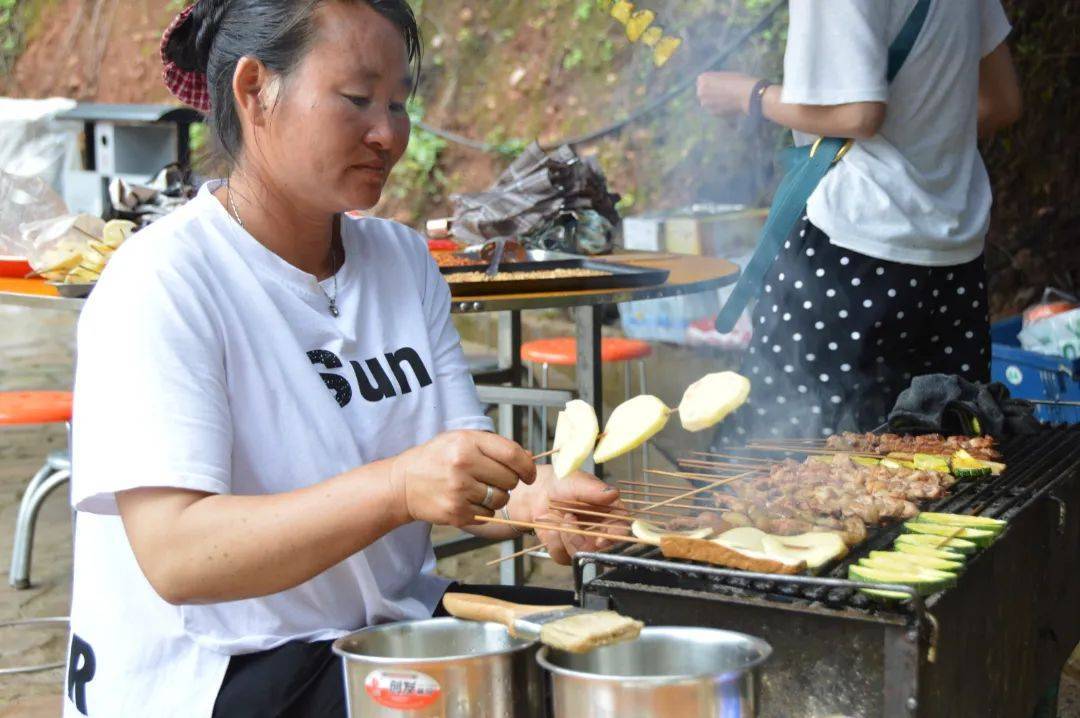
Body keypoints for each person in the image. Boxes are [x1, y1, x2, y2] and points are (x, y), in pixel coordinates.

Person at [64, 1, 622, 716]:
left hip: (386, 626)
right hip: (220, 668)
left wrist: (537, 496)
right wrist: (395, 488)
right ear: (254, 89)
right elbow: (177, 555)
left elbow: (459, 464)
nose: (387, 133)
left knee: (616, 665)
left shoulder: (402, 261)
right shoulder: (163, 281)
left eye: (397, 103)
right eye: (356, 99)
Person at [697, 0, 1021, 440]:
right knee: (944, 463)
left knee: (789, 464)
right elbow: (1002, 103)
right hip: (954, 258)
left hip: (853, 253)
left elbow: (859, 114)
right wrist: (921, 147)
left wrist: (750, 95)